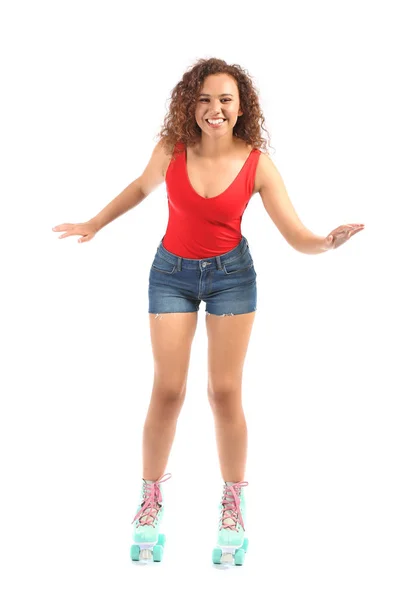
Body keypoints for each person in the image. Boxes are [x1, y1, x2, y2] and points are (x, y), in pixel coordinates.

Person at [52, 57, 364, 565]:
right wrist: (94, 222)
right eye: (203, 99)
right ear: (189, 104)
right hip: (170, 273)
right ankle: (150, 501)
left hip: (231, 279)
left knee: (223, 392)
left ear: (241, 107)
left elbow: (296, 234)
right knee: (169, 390)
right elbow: (138, 188)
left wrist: (327, 243)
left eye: (225, 99)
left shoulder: (257, 163)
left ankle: (232, 505)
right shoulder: (173, 150)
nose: (214, 109)